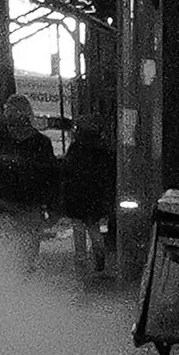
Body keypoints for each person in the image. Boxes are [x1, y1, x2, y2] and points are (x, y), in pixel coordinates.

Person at [0, 89, 60, 271]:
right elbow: (50, 176)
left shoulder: (0, 141)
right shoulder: (40, 142)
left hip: (6, 202)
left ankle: (14, 279)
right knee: (27, 249)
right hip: (28, 202)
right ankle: (23, 278)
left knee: (9, 248)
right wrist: (52, 206)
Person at [61, 116, 114, 275]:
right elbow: (107, 172)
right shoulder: (103, 149)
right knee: (94, 227)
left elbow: (68, 170)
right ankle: (99, 257)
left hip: (78, 194)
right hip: (95, 195)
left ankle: (81, 260)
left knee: (78, 228)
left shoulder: (76, 148)